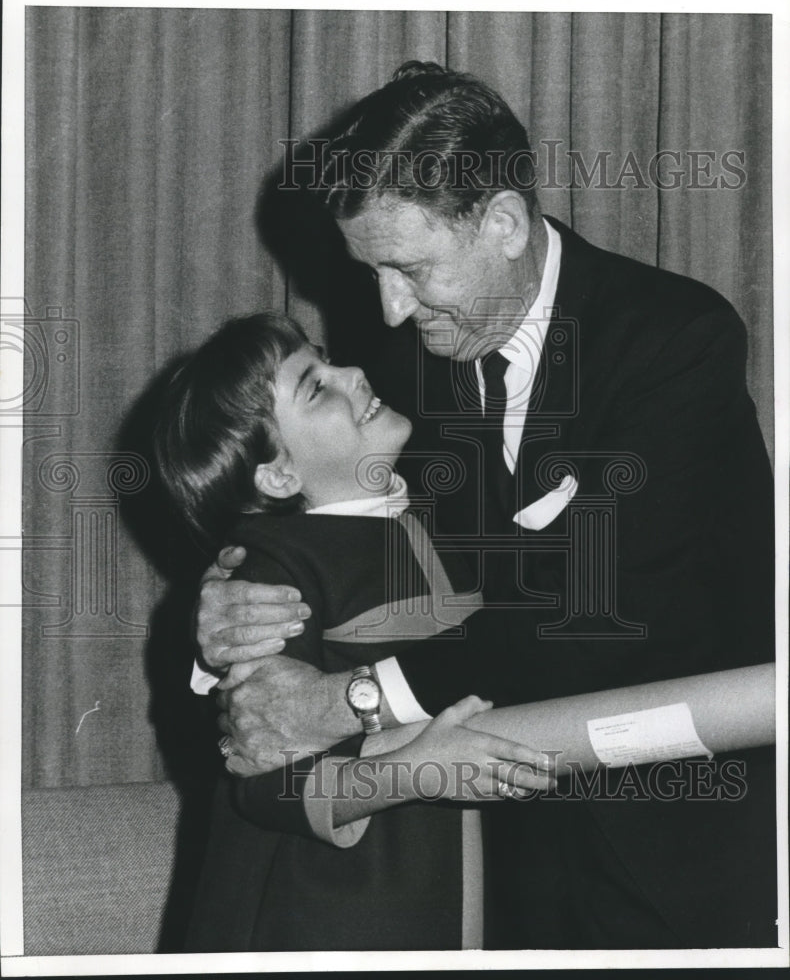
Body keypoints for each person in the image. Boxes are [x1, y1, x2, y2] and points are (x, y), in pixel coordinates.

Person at [195, 63, 776, 948]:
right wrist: (228, 614)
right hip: (502, 866)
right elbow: (346, 548)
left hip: (678, 848)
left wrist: (349, 701)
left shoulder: (671, 341)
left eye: (409, 269)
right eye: (374, 272)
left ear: (502, 223)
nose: (388, 309)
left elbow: (597, 621)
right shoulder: (401, 370)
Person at [154, 311, 555, 951]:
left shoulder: (433, 517)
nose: (353, 373)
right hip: (324, 918)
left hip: (451, 903)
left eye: (325, 357)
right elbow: (263, 780)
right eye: (315, 386)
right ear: (279, 474)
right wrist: (412, 771)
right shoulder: (269, 576)